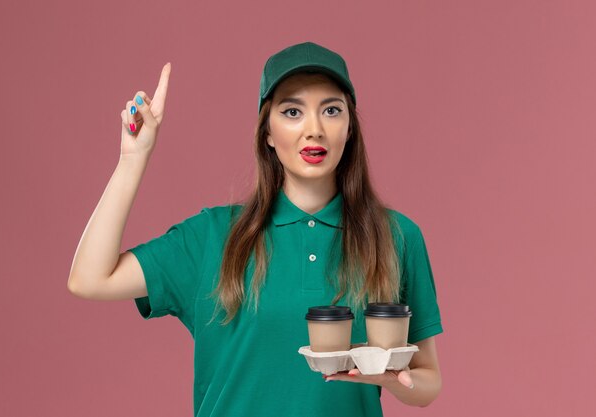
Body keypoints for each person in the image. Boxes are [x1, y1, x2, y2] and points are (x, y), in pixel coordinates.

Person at [68, 41, 443, 416]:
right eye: (292, 111)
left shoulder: (397, 237)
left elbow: (427, 382)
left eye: (331, 110)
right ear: (267, 132)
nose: (314, 129)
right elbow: (89, 278)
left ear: (349, 128)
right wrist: (132, 160)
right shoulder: (213, 235)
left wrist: (393, 379)